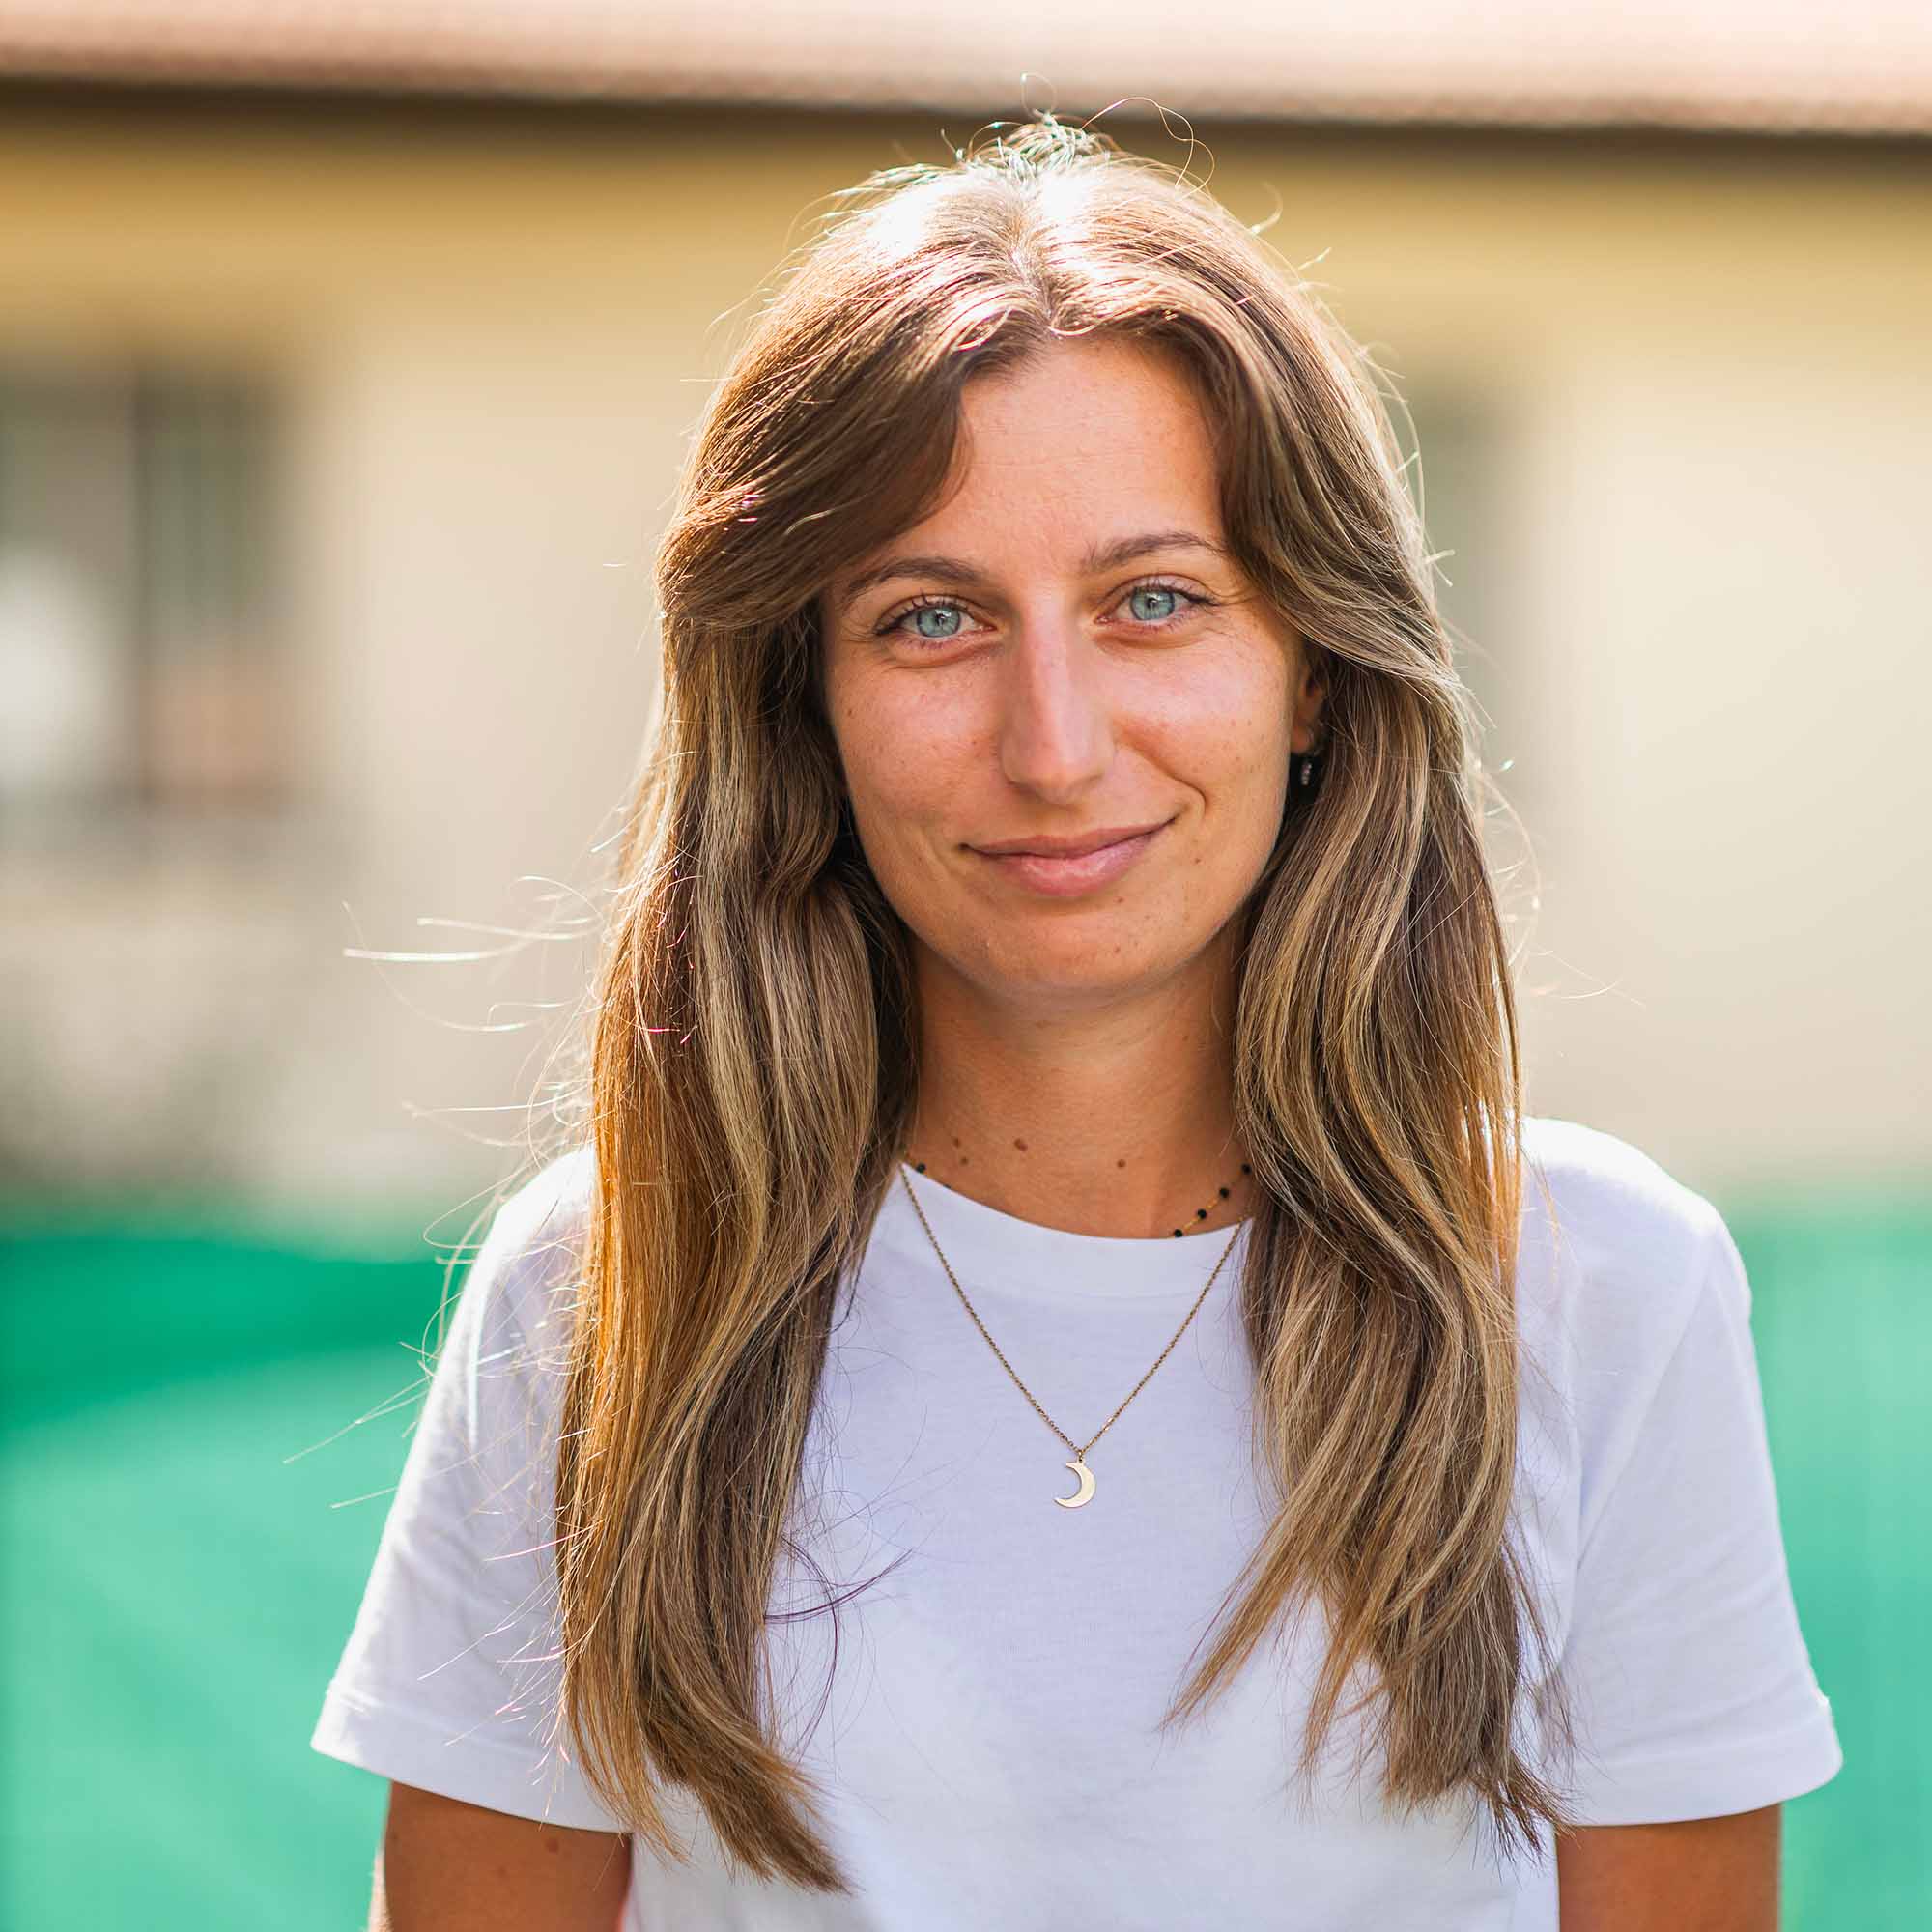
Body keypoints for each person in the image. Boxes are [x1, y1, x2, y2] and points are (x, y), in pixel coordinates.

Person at [311, 115, 1841, 1930]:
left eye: (1156, 602)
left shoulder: (1603, 1291)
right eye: (932, 617)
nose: (1053, 744)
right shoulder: (604, 1293)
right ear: (803, 702)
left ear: (1317, 674)